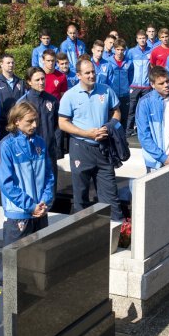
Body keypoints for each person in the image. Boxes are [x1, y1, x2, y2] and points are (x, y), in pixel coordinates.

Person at [59, 58, 123, 221]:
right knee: (81, 195)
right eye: (87, 73)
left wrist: (109, 126)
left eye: (93, 72)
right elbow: (62, 123)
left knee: (111, 195)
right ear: (79, 75)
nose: (92, 75)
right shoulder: (69, 96)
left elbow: (116, 112)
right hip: (81, 148)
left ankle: (116, 231)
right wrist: (87, 133)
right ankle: (83, 234)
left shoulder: (106, 90)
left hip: (103, 149)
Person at [0, 102, 55, 247]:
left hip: (40, 211)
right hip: (18, 214)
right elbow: (7, 185)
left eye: (36, 120)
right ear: (17, 121)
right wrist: (30, 206)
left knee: (39, 261)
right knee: (13, 265)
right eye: (30, 121)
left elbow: (49, 175)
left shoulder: (40, 142)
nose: (34, 125)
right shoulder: (5, 147)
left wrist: (44, 202)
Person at [17, 67, 62, 193]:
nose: (41, 82)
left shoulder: (52, 100)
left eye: (43, 79)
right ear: (29, 82)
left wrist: (55, 145)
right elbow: (17, 131)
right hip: (30, 153)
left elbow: (57, 125)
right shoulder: (22, 103)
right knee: (33, 187)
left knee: (51, 186)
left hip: (49, 151)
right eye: (37, 80)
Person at [0, 53, 27, 132]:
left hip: (18, 123)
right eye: (8, 63)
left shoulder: (21, 82)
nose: (11, 65)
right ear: (1, 64)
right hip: (2, 124)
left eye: (12, 63)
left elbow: (24, 102)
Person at [126, 30, 153, 135]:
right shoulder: (131, 52)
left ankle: (144, 129)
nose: (142, 40)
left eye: (143, 38)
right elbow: (127, 68)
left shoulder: (151, 51)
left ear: (146, 39)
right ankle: (128, 130)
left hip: (147, 86)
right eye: (140, 38)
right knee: (131, 108)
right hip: (134, 85)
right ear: (136, 39)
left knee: (145, 109)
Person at [109, 39, 132, 122]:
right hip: (113, 94)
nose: (119, 52)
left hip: (124, 94)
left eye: (122, 50)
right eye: (117, 49)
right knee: (113, 119)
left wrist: (127, 88)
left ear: (125, 50)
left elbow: (131, 77)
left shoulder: (129, 62)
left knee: (124, 118)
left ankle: (124, 135)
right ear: (114, 49)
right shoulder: (108, 62)